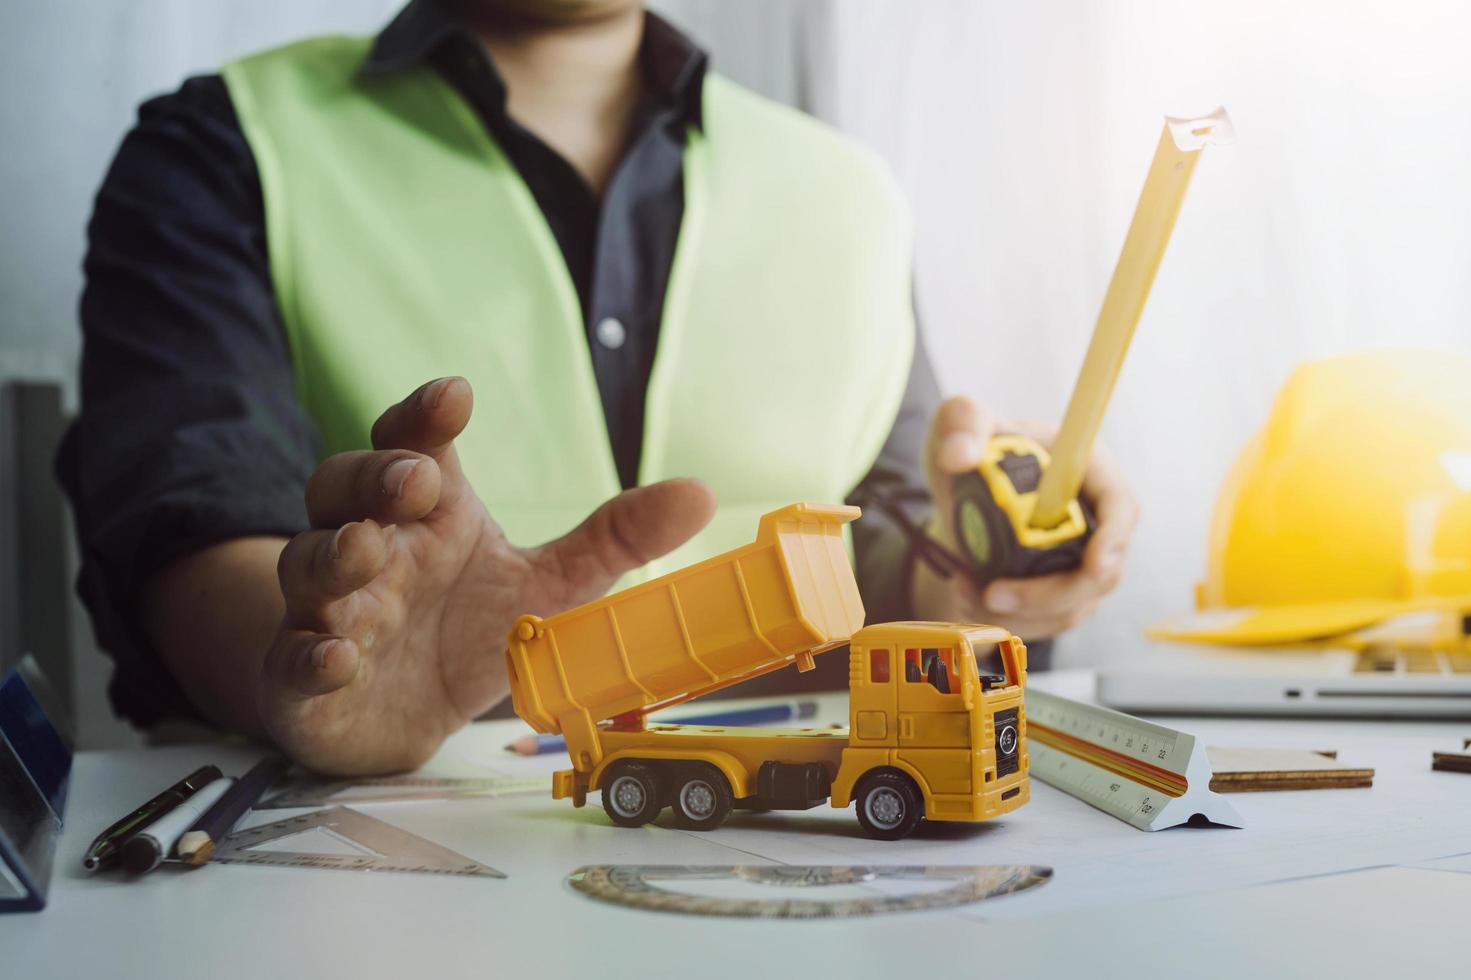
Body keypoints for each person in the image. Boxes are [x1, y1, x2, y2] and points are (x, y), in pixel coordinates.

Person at [57, 0, 1136, 776]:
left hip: (799, 828)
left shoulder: (844, 189)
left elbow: (900, 566)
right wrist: (335, 675)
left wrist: (1002, 555)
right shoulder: (220, 146)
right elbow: (181, 524)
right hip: (394, 843)